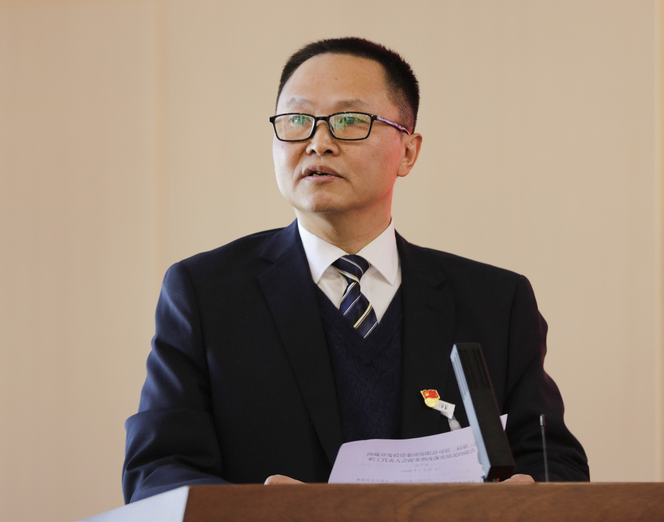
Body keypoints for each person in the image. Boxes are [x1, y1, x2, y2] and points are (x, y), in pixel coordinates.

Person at [122, 37, 589, 503]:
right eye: (297, 121)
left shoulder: (494, 302)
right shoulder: (207, 294)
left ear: (407, 151)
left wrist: (528, 494)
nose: (318, 143)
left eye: (348, 121)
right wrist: (261, 512)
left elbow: (553, 461)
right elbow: (157, 470)